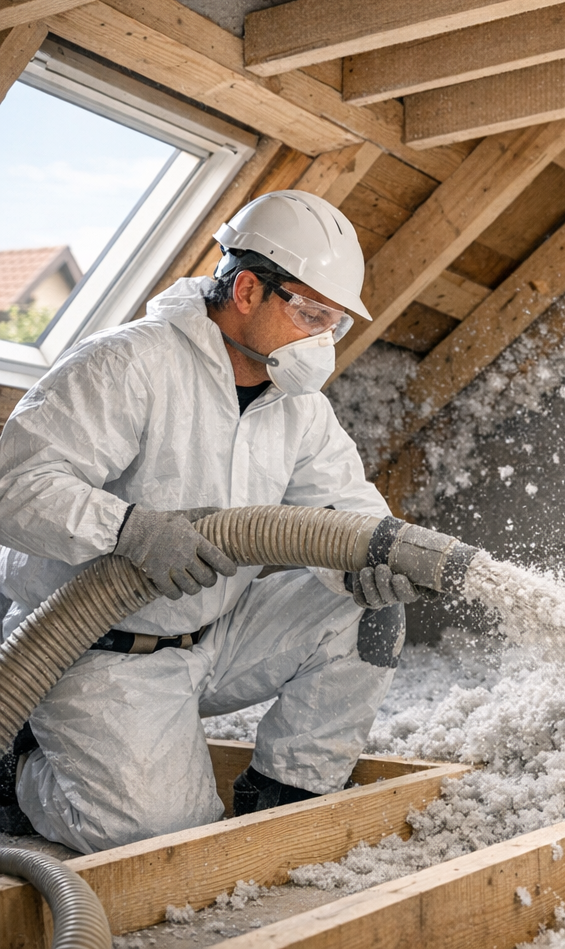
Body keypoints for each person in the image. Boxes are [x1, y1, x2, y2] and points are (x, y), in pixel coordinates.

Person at [0, 191, 423, 853]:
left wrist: (378, 558)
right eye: (311, 314)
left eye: (333, 324)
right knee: (156, 837)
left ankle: (285, 796)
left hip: (215, 634)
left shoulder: (297, 405)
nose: (320, 339)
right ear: (248, 289)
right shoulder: (129, 364)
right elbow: (16, 487)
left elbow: (342, 505)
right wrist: (128, 530)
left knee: (368, 613)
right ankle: (25, 771)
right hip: (98, 652)